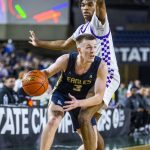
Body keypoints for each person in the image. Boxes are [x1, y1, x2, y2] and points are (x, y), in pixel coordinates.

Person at [29, 0, 120, 149]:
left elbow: (101, 4)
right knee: (94, 136)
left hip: (106, 75)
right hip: (86, 79)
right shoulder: (81, 30)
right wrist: (40, 43)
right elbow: (64, 44)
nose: (85, 7)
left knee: (84, 117)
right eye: (83, 4)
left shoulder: (99, 24)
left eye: (90, 4)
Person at [40, 34, 107, 150]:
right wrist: (33, 77)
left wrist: (79, 103)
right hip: (62, 95)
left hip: (82, 101)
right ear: (79, 49)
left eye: (95, 47)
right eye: (88, 47)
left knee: (94, 145)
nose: (93, 51)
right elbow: (46, 73)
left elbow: (98, 97)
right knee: (53, 120)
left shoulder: (101, 66)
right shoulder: (66, 60)